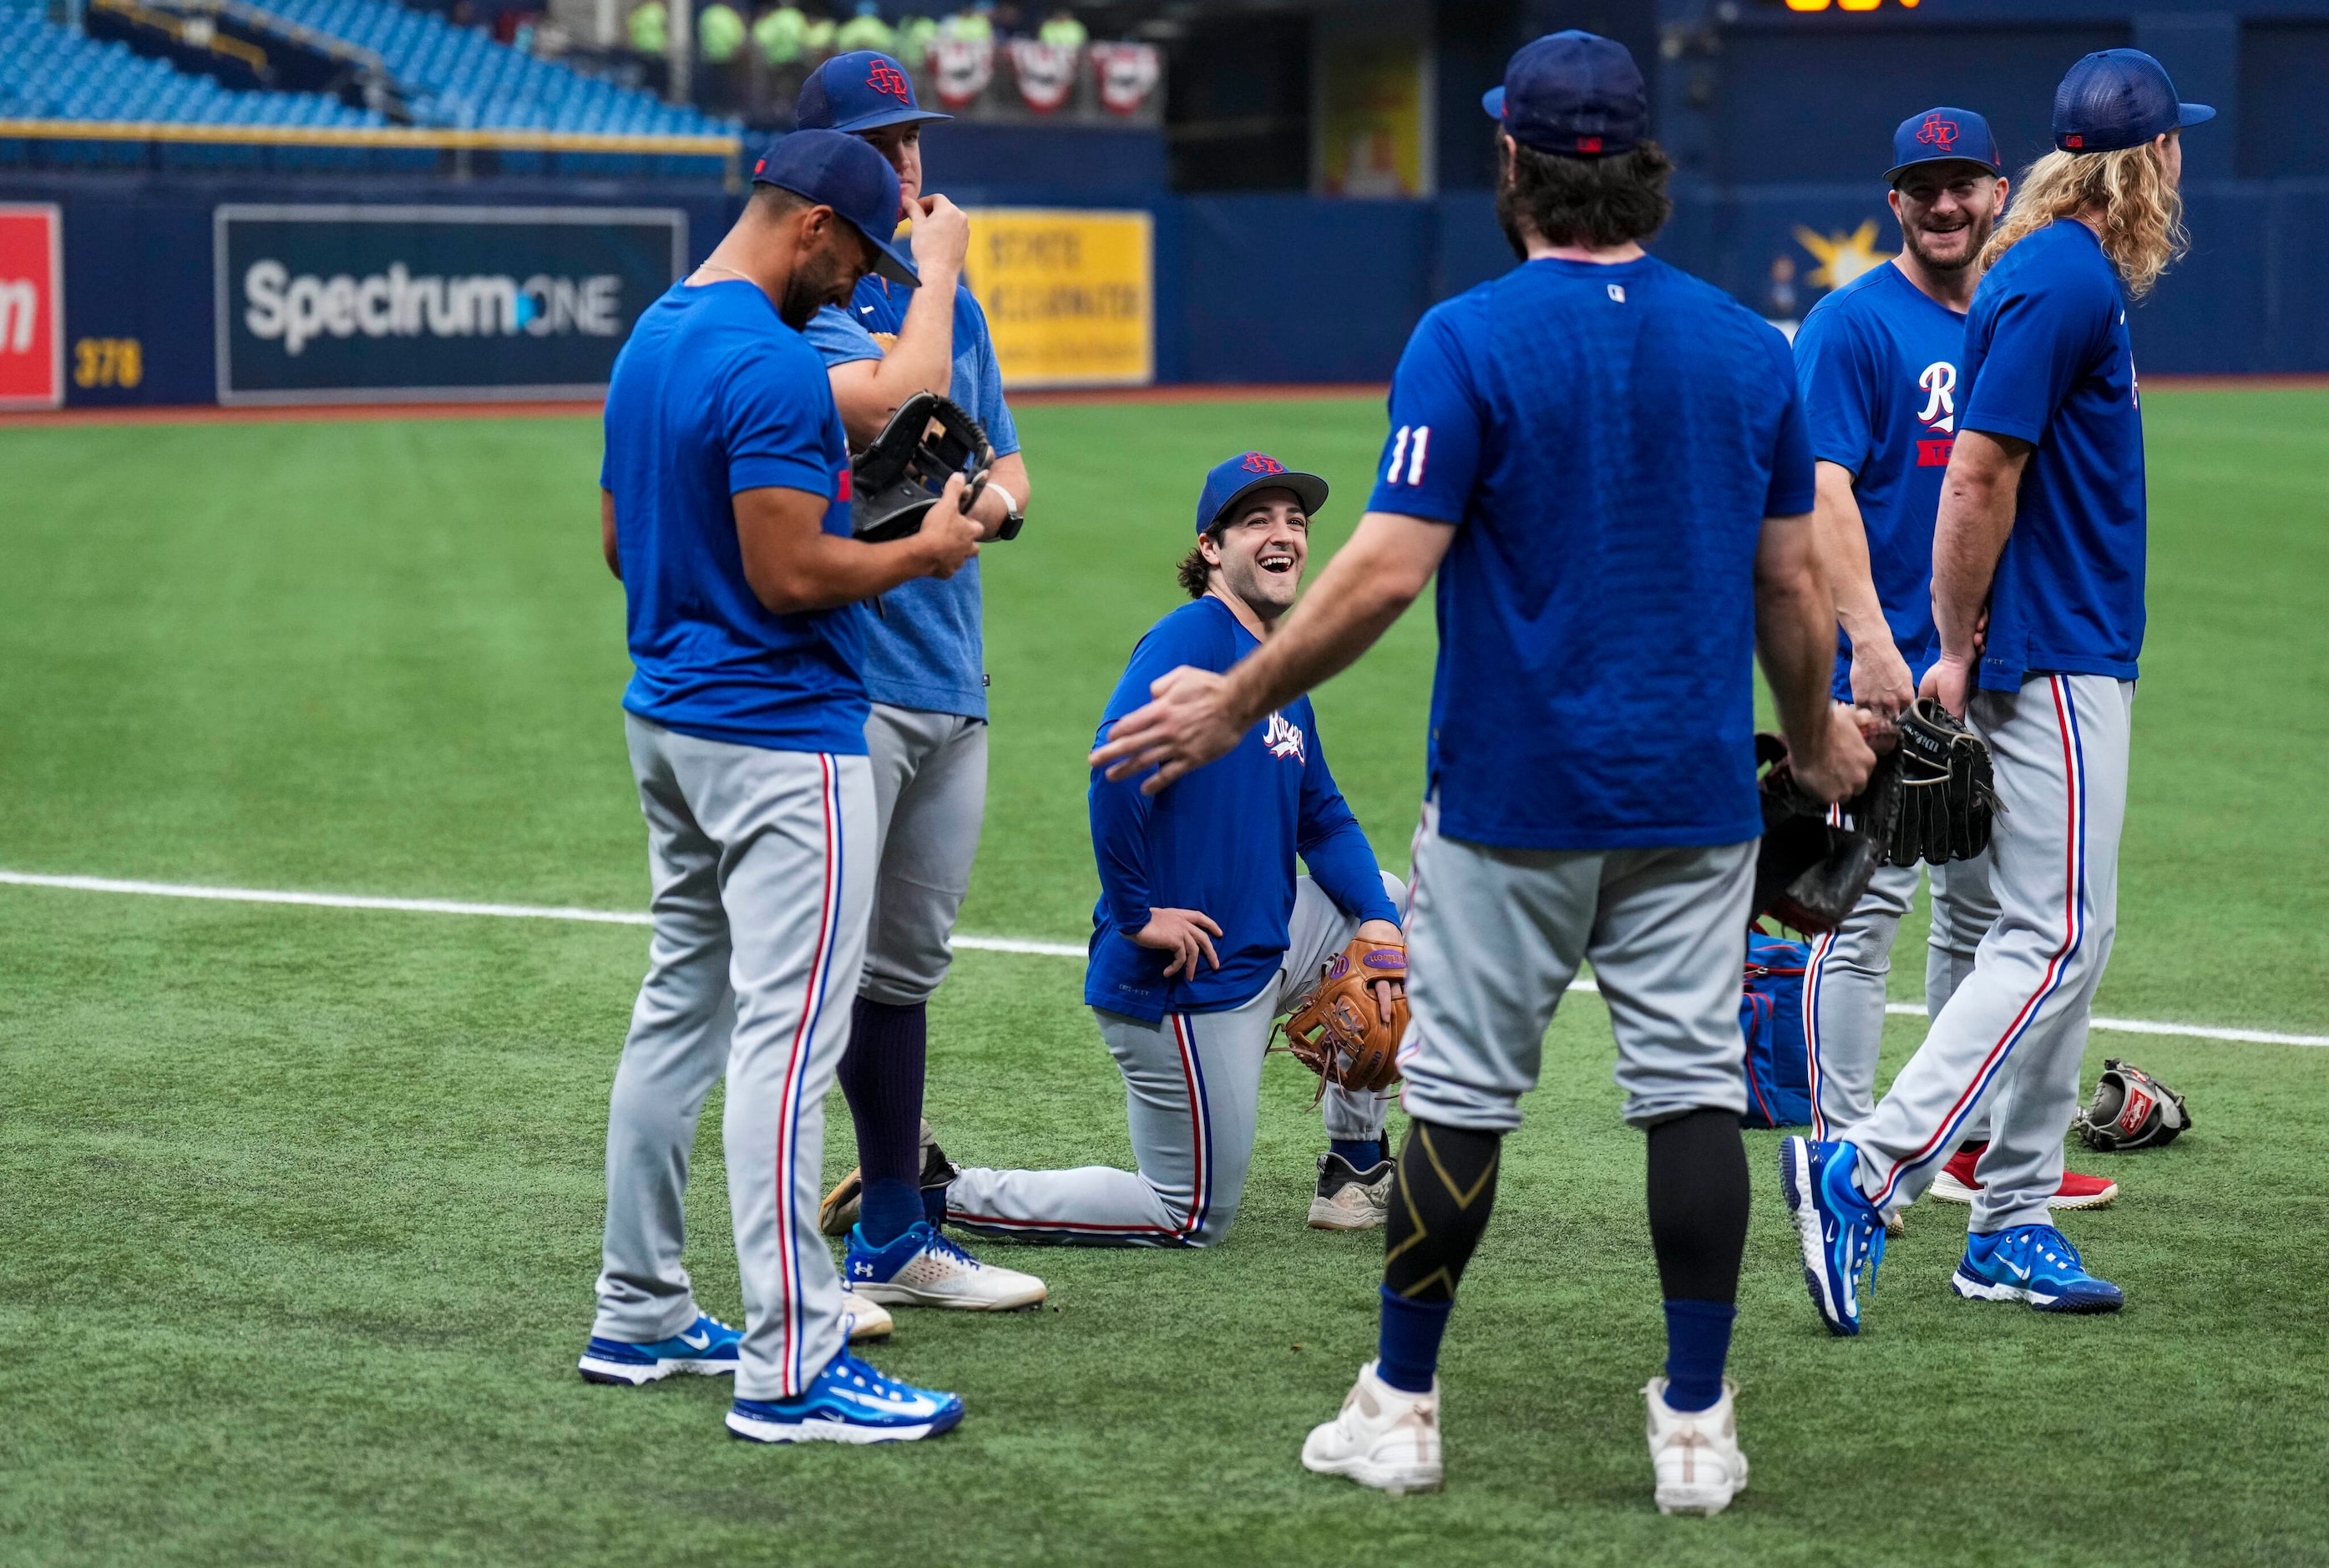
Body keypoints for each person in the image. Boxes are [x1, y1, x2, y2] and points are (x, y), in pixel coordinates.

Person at [1089, 33, 1872, 1510]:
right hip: (1690, 798)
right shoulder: (1745, 343)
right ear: (1642, 165)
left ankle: (1400, 1404)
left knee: (1456, 1099)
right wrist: (1818, 732)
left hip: (1512, 796)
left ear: (1511, 162)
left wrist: (1233, 694)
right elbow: (1789, 587)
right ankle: (1694, 1427)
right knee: (1691, 1094)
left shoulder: (1464, 335)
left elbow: (1382, 575)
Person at [1782, 49, 2211, 1332]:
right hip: (2052, 650)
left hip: (2064, 645)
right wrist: (1953, 650)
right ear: (2147, 162)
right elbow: (1975, 477)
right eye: (2173, 145)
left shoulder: (2044, 273)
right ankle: (1865, 1164)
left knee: (2052, 939)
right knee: (2051, 935)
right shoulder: (2062, 275)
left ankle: (2011, 1220)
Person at [578, 129, 985, 1445]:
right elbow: (790, 576)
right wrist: (922, 551)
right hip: (779, 737)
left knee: (678, 1012)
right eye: (857, 252)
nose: (857, 278)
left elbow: (616, 540)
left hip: (670, 721)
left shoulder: (653, 335)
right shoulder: (763, 358)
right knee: (788, 1043)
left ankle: (637, 1307)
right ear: (810, 224)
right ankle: (791, 1364)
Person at [938, 452, 1410, 1244]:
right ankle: (933, 1189)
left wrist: (1375, 921)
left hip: (1263, 945)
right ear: (1210, 548)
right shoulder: (1192, 636)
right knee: (1187, 1214)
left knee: (1388, 900)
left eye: (1295, 521)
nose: (1282, 534)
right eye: (1256, 519)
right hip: (1188, 977)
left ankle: (1355, 1169)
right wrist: (1136, 913)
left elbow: (1322, 818)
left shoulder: (1274, 670)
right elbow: (1116, 769)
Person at [1792, 108, 2117, 1227]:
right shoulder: (1850, 325)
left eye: (1963, 183)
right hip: (1883, 672)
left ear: (1997, 190)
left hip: (1988, 665)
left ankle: (1963, 1143)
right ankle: (1836, 1142)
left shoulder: (2011, 312)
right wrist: (1872, 645)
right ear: (1895, 200)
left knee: (1979, 916)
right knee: (1859, 915)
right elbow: (1820, 494)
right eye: (1921, 185)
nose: (1943, 204)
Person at [786, 50, 1051, 1315]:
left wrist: (981, 501)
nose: (907, 164)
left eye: (914, 140)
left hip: (953, 675)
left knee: (905, 966)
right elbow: (891, 409)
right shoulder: (813, 295)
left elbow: (1005, 473)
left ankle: (890, 1229)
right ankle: (786, 1257)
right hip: (850, 676)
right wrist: (936, 284)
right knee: (818, 965)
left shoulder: (959, 304)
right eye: (881, 144)